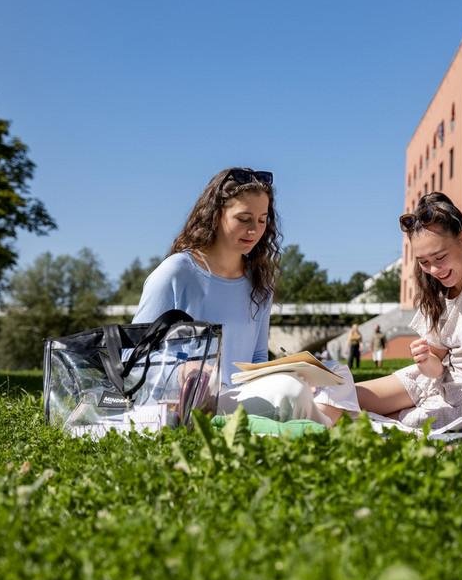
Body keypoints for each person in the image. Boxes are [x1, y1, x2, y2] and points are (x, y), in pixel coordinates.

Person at [133, 167, 355, 426]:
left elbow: (258, 357)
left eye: (262, 220)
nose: (254, 230)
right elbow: (133, 358)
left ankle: (308, 422)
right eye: (244, 218)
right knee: (290, 391)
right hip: (191, 402)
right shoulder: (177, 272)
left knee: (336, 372)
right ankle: (319, 428)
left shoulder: (259, 282)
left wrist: (287, 371)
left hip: (241, 395)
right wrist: (182, 371)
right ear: (215, 215)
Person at [355, 192, 462, 429]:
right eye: (424, 262)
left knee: (362, 422)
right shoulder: (437, 291)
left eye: (440, 257)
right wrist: (426, 360)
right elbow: (436, 366)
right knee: (338, 398)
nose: (434, 269)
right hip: (435, 381)